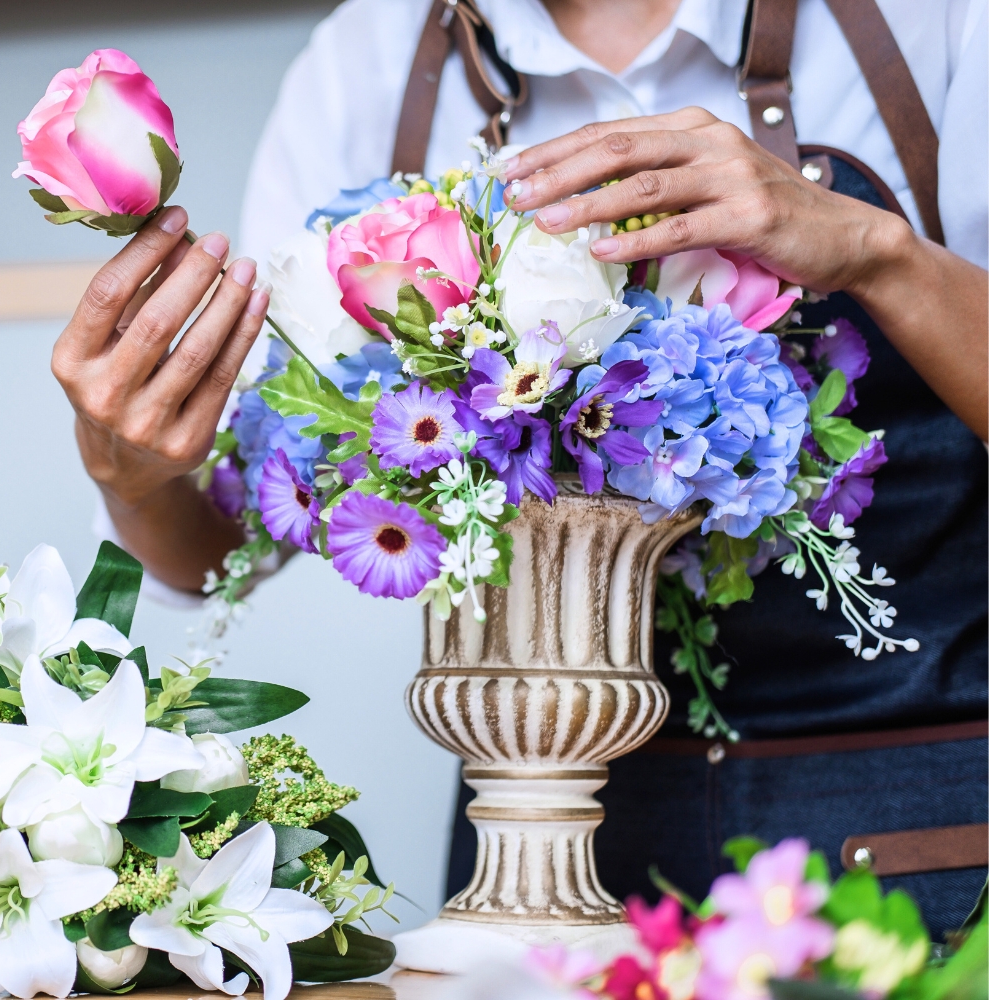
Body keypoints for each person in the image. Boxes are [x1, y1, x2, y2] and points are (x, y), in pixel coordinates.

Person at [51, 0, 987, 937]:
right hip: (526, 877)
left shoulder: (931, 20)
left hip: (919, 857)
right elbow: (231, 535)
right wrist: (131, 477)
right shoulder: (368, 58)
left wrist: (877, 252)